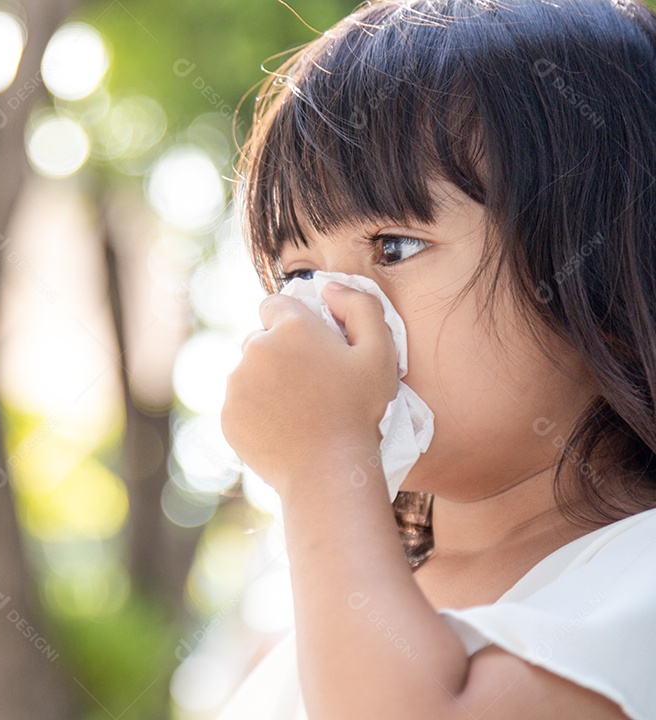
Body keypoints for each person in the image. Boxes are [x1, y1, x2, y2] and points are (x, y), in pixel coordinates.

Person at [218, 0, 656, 717]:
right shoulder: (322, 622)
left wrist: (326, 460)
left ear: (604, 294)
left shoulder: (638, 577)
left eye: (393, 246)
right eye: (298, 274)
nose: (328, 308)